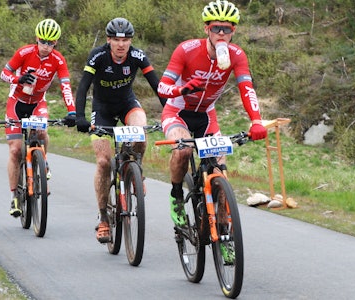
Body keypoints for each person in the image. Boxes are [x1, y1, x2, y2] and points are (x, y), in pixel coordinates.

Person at [157, 0, 268, 227]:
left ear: (232, 32)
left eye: (226, 29)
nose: (220, 33)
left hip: (207, 116)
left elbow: (246, 88)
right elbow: (162, 87)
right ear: (206, 29)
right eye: (215, 27)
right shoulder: (186, 49)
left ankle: (224, 232)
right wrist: (183, 89)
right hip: (178, 111)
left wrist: (256, 121)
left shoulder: (237, 55)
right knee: (183, 150)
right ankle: (176, 196)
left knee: (220, 172)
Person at [74, 17, 166, 243]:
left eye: (125, 40)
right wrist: (79, 116)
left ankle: (136, 170)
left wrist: (169, 112)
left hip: (127, 104)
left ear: (130, 41)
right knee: (104, 162)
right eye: (116, 40)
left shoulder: (137, 56)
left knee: (140, 131)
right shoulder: (98, 56)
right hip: (102, 109)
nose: (121, 44)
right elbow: (84, 85)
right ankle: (104, 217)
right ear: (108, 40)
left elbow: (157, 85)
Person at [0, 18, 77, 217]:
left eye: (50, 43)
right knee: (16, 151)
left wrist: (72, 111)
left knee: (42, 131)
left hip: (37, 103)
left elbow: (65, 86)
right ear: (37, 38)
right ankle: (14, 197)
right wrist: (18, 79)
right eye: (42, 41)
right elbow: (4, 73)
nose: (45, 46)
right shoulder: (24, 52)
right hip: (16, 103)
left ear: (56, 43)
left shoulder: (58, 60)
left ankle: (43, 162)